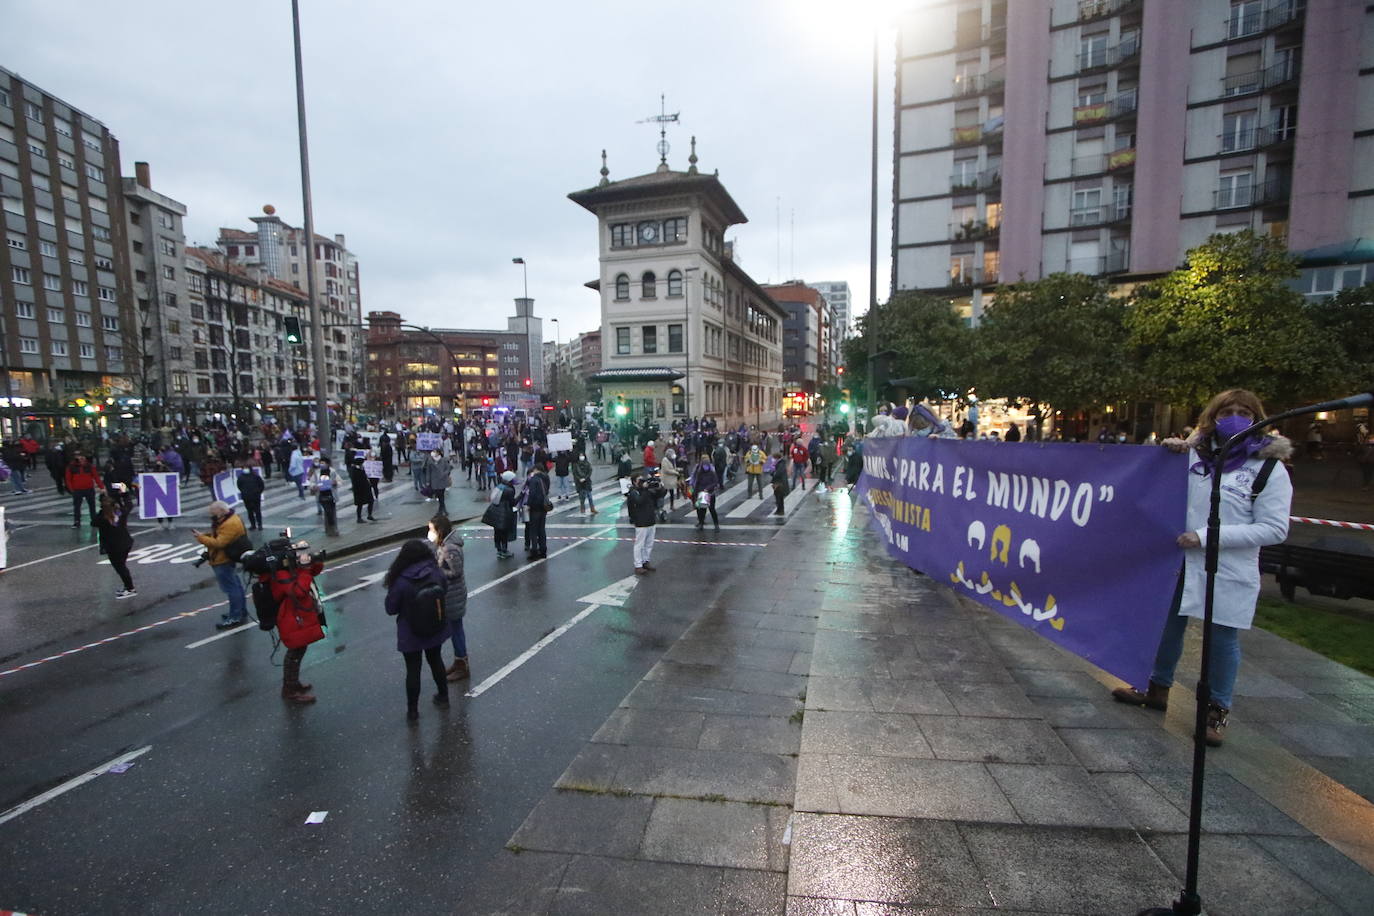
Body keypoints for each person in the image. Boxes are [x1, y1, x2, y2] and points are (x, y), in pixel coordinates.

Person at [1110, 389, 1293, 747]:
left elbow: (1274, 528)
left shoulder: (1269, 467)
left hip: (1226, 565)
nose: (1235, 417)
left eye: (1244, 411)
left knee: (1222, 640)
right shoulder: (1195, 456)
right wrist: (1167, 456)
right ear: (1212, 415)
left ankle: (1216, 711)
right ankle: (1155, 687)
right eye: (1228, 410)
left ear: (1259, 419)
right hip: (1180, 561)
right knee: (1167, 626)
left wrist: (1207, 536)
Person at [384, 539, 452, 722]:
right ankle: (443, 696)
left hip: (410, 631)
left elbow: (391, 608)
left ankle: (412, 711)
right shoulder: (435, 571)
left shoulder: (401, 580)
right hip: (435, 625)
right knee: (436, 660)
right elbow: (444, 589)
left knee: (413, 669)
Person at [194, 501, 252, 630]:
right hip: (225, 557)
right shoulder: (231, 519)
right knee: (235, 586)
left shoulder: (229, 523)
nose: (212, 516)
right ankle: (240, 612)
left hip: (222, 559)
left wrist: (201, 538)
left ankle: (235, 616)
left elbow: (219, 543)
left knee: (231, 588)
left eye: (213, 513)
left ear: (221, 511)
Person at [429, 515, 470, 682]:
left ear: (440, 530)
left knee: (456, 630)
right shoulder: (444, 545)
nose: (429, 533)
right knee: (454, 630)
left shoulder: (450, 548)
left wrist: (437, 572)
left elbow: (455, 572)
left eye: (431, 529)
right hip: (450, 594)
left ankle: (462, 664)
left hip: (453, 595)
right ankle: (459, 661)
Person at [94, 487, 136, 599]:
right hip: (126, 543)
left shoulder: (102, 518)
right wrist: (124, 493)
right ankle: (129, 587)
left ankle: (130, 588)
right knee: (122, 566)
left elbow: (93, 522)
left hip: (113, 547)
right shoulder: (120, 512)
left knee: (120, 567)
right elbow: (129, 504)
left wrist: (102, 502)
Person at [626, 474, 658, 575]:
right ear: (635, 482)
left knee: (649, 543)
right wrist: (645, 490)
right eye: (639, 480)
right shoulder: (633, 492)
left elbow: (658, 495)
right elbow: (639, 501)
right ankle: (638, 565)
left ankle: (646, 561)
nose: (642, 482)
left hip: (650, 520)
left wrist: (659, 487)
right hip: (641, 521)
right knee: (639, 544)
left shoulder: (646, 491)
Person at [65, 452, 102, 528]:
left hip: (89, 488)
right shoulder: (71, 466)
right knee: (77, 507)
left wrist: (101, 487)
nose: (81, 458)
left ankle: (94, 521)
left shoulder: (90, 466)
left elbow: (96, 477)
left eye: (82, 456)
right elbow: (68, 479)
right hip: (77, 490)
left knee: (92, 506)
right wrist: (72, 490)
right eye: (79, 456)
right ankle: (77, 521)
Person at [488, 470, 519, 559]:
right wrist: (521, 495)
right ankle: (504, 550)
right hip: (504, 513)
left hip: (495, 512)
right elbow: (512, 503)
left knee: (497, 532)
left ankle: (499, 550)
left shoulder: (499, 487)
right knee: (504, 533)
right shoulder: (509, 490)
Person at [310, 457, 342, 536]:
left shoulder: (332, 472)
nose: (321, 465)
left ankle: (333, 529)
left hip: (331, 494)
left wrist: (335, 483)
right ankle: (329, 529)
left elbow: (339, 481)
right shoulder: (317, 472)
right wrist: (314, 486)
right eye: (321, 463)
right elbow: (312, 482)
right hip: (321, 495)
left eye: (323, 463)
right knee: (327, 511)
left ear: (327, 464)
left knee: (331, 512)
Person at [689, 454, 721, 531]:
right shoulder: (700, 472)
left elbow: (715, 482)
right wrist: (695, 493)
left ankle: (716, 525)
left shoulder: (712, 472)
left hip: (710, 493)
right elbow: (697, 482)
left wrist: (708, 488)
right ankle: (701, 524)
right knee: (701, 510)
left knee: (712, 509)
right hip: (701, 493)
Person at [524, 464, 550, 560]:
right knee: (541, 529)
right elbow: (547, 491)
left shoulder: (534, 480)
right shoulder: (546, 478)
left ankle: (534, 550)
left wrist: (528, 505)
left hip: (535, 507)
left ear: (535, 470)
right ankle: (543, 550)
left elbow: (532, 494)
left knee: (533, 530)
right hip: (543, 506)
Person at [236, 463, 265, 531]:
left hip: (255, 496)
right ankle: (253, 525)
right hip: (247, 497)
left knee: (257, 511)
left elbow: (261, 485)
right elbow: (239, 486)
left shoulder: (255, 476)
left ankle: (259, 524)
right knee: (250, 512)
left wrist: (258, 492)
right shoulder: (241, 477)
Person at [348, 459, 375, 523]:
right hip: (359, 490)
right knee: (360, 504)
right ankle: (359, 518)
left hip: (366, 489)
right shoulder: (355, 470)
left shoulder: (361, 469)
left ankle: (369, 515)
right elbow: (356, 481)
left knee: (371, 501)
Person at [426, 450, 452, 515]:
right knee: (439, 495)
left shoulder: (443, 460)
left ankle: (441, 510)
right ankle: (442, 509)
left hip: (442, 480)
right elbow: (428, 472)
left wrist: (444, 473)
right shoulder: (430, 461)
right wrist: (428, 481)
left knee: (441, 495)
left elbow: (448, 468)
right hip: (434, 481)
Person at [770, 451, 790, 516]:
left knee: (779, 498)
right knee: (778, 497)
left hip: (780, 483)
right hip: (778, 482)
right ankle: (779, 510)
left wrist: (773, 472)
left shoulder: (781, 464)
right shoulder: (779, 463)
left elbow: (778, 473)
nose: (773, 460)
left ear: (776, 458)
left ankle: (780, 511)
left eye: (774, 458)